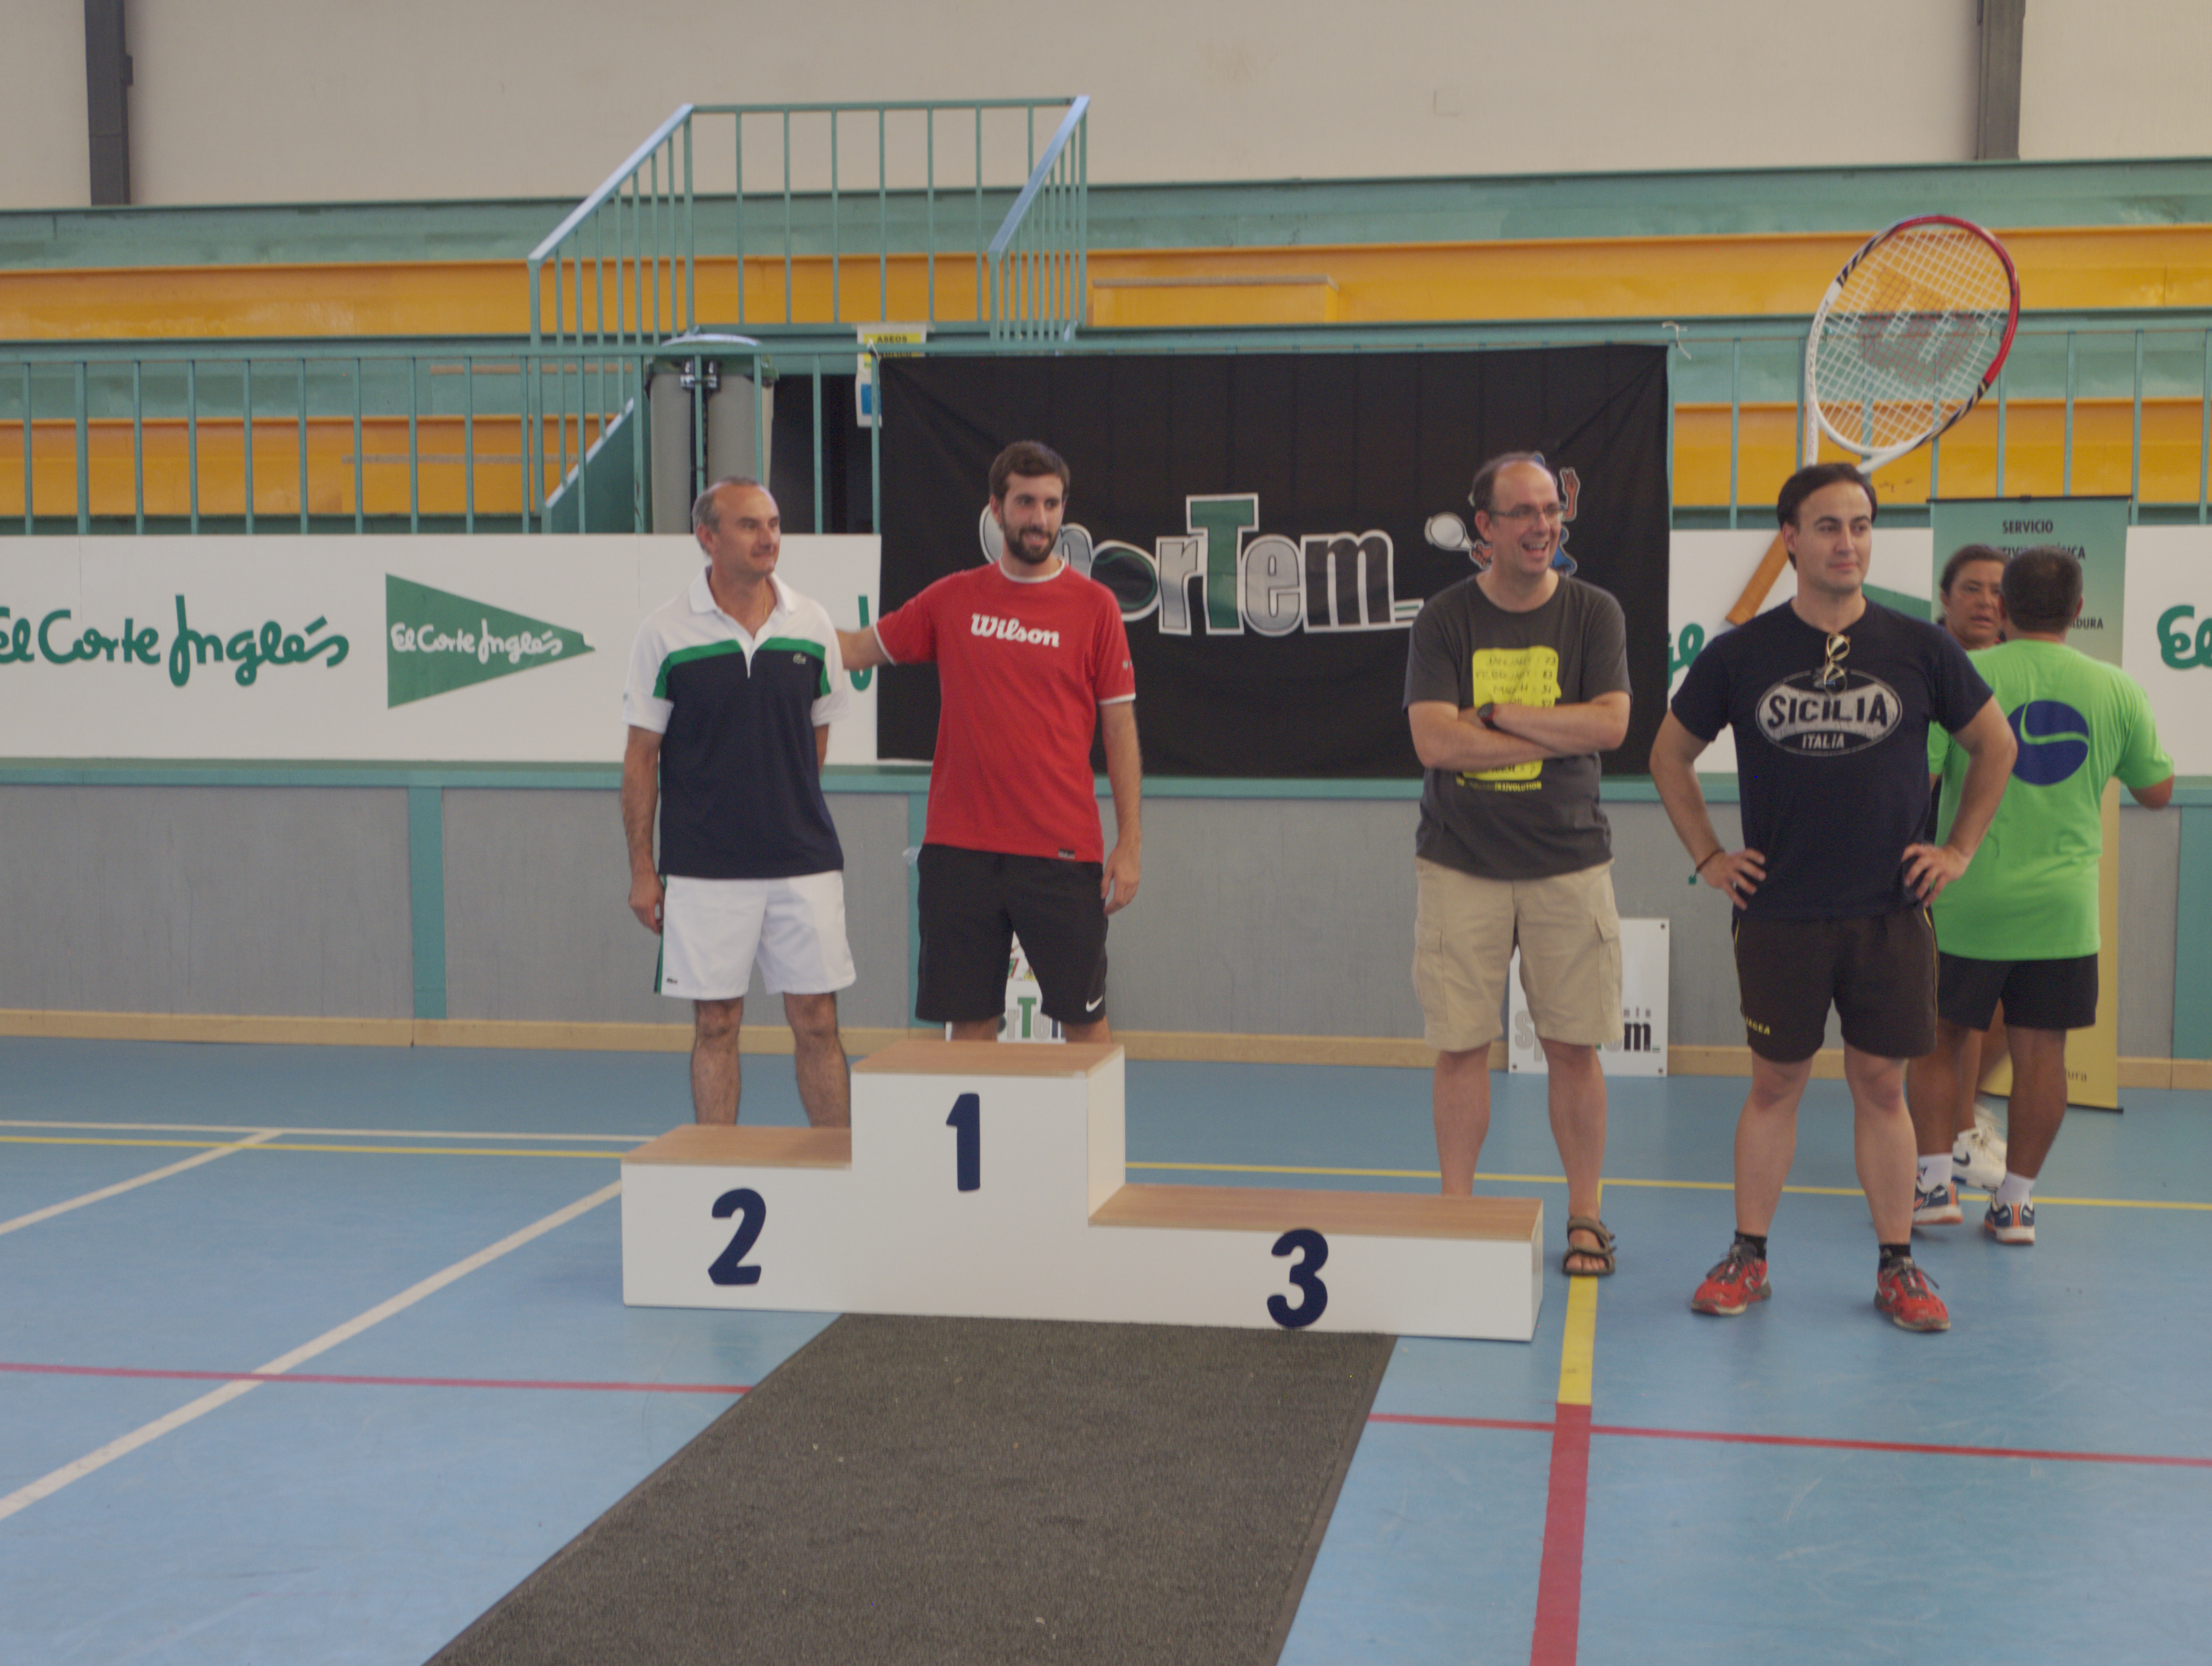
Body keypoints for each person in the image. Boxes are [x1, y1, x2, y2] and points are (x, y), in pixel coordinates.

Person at [1650, 463, 2017, 1332]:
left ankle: (1898, 1268)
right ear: (1790, 539)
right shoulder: (1740, 653)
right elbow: (1668, 755)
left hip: (1890, 912)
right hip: (1779, 913)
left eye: (1860, 526)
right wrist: (1709, 855)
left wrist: (1959, 849)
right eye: (1827, 526)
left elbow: (1995, 746)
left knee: (1882, 1088)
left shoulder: (1921, 647)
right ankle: (1748, 1257)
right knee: (1775, 1084)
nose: (1847, 543)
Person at [1403, 452, 1630, 1277]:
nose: (1543, 526)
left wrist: (1497, 714)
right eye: (1524, 513)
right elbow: (1435, 742)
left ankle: (1586, 1217)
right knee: (1462, 1046)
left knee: (1574, 1048)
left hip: (1568, 862)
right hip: (1459, 864)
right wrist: (1553, 728)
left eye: (1551, 511)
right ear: (1486, 529)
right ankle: (1457, 1214)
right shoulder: (1445, 619)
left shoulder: (1594, 612)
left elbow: (1610, 727)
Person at [1910, 547, 2174, 1244]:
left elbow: (1921, 781)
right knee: (2042, 1054)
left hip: (1966, 896)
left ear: (2003, 607)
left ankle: (1934, 1186)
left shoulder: (1962, 678)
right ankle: (2017, 1204)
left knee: (1938, 1040)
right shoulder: (2117, 689)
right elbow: (2157, 791)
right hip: (2064, 909)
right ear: (2078, 610)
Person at [838, 440, 1139, 1044]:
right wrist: (771, 612)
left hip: (1062, 855)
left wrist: (1129, 843)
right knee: (969, 1027)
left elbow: (1120, 729)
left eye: (1051, 504)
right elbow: (854, 650)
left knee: (1085, 1026)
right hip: (960, 852)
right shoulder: (952, 598)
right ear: (997, 510)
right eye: (1025, 503)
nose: (1040, 518)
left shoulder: (1096, 608)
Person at [622, 478, 855, 1127]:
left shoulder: (812, 624)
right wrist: (643, 868)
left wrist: (783, 806)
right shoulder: (663, 633)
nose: (768, 537)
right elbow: (641, 758)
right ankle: (714, 1169)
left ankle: (839, 1165)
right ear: (707, 537)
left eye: (774, 524)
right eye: (750, 525)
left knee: (818, 1019)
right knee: (717, 1024)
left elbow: (816, 737)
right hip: (704, 869)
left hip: (804, 862)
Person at [1909, 544, 2013, 1197]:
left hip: (2000, 872)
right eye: (1972, 589)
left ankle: (1958, 1121)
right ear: (1945, 598)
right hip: (1934, 870)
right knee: (1951, 1018)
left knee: (1992, 1013)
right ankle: (1944, 1146)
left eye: (1998, 591)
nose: (1986, 602)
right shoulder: (1928, 666)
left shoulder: (2011, 671)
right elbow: (1920, 781)